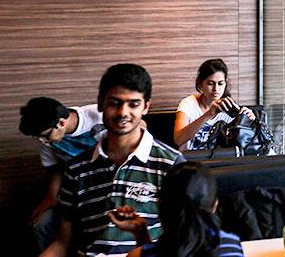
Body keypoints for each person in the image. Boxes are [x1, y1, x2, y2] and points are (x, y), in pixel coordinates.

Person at [40, 63, 184, 257]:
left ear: (146, 107)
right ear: (100, 103)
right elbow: (63, 244)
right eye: (114, 103)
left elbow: (185, 240)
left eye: (133, 104)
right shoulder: (77, 169)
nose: (123, 113)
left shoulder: (171, 164)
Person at [19, 97, 105, 252]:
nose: (42, 141)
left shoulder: (99, 116)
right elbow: (56, 169)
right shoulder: (48, 140)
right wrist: (50, 197)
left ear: (61, 123)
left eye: (45, 136)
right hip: (75, 193)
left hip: (106, 190)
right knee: (42, 224)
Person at [109, 161, 244, 257]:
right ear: (215, 205)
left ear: (160, 204)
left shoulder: (140, 254)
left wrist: (141, 234)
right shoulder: (231, 246)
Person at [174, 59, 255, 150]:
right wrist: (208, 114)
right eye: (210, 84)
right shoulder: (188, 103)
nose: (216, 89)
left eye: (220, 83)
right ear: (200, 84)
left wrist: (250, 122)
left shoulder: (230, 108)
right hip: (191, 161)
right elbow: (178, 140)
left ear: (226, 83)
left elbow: (244, 145)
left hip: (219, 161)